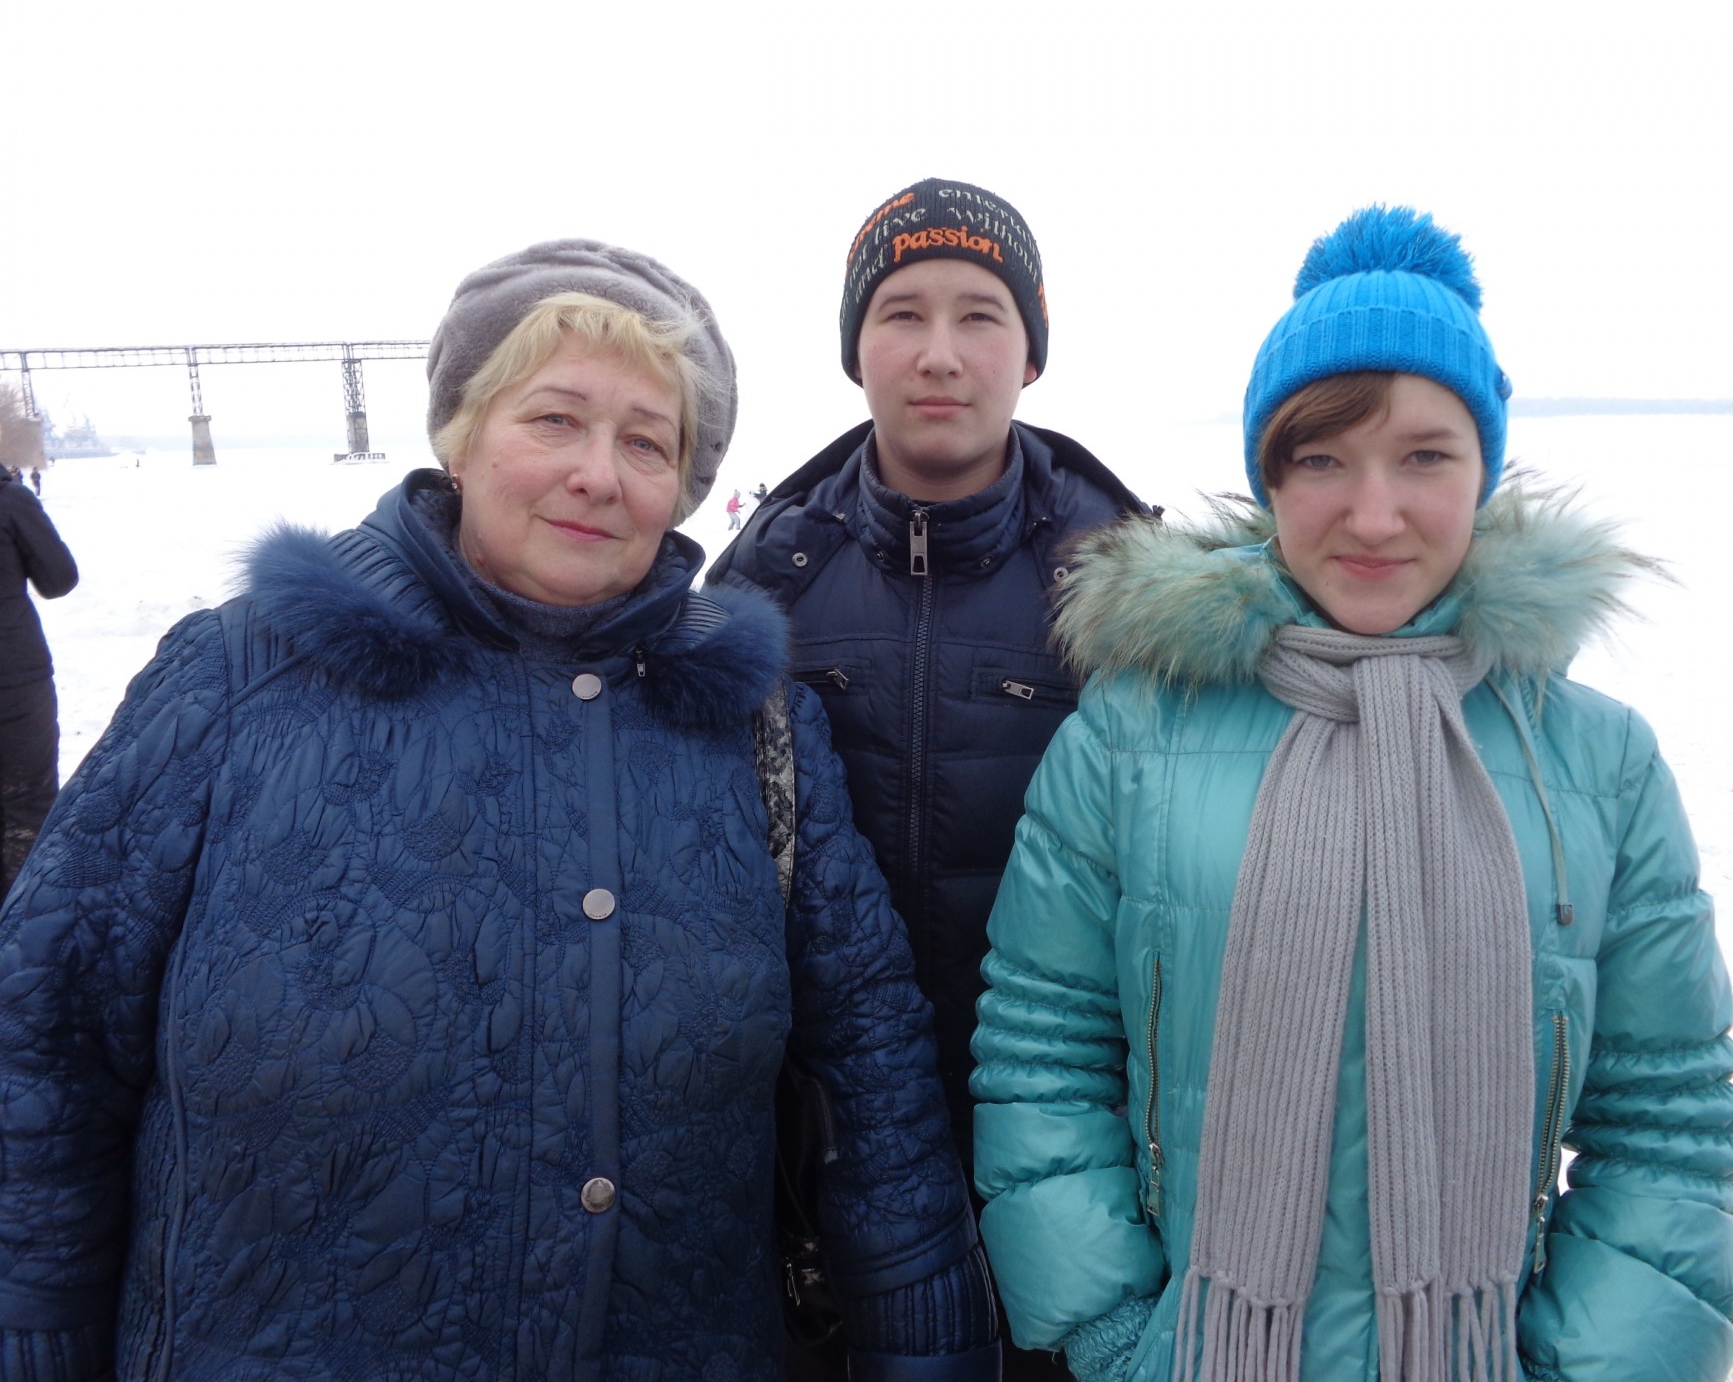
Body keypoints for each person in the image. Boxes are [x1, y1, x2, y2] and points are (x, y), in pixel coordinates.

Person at [0, 240, 999, 1380]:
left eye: (646, 442)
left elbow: (872, 1061)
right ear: (462, 434)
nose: (598, 474)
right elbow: (42, 1041)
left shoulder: (753, 728)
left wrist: (927, 1338)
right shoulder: (238, 683)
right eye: (555, 420)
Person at [969, 207, 1733, 1382]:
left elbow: (1665, 1120)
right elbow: (1044, 1049)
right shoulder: (1133, 736)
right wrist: (1120, 1332)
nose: (1373, 515)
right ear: (1269, 477)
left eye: (1425, 456)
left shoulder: (1599, 765)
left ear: (1485, 469)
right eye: (1323, 459)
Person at [708, 178, 1150, 1380]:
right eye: (902, 314)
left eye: (981, 316)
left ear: (1032, 352)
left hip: (1075, 1147)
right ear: (855, 348)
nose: (940, 354)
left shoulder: (1122, 580)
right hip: (825, 1157)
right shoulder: (768, 579)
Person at [0, 462, 77, 897]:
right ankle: (21, 921)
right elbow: (59, 579)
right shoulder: (10, 500)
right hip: (13, 680)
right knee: (27, 804)